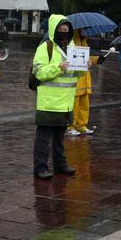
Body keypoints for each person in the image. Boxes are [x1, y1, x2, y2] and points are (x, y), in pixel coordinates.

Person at [34, 15, 79, 177]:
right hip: (48, 101)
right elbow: (39, 72)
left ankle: (60, 165)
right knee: (43, 137)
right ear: (54, 30)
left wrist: (83, 66)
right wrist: (58, 67)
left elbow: (75, 75)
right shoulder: (45, 47)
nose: (64, 32)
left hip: (66, 102)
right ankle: (40, 168)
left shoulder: (72, 47)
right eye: (61, 29)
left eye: (66, 29)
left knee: (60, 137)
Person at [68, 29, 103, 136]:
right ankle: (70, 126)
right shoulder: (72, 43)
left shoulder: (84, 43)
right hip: (76, 80)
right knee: (74, 106)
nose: (85, 32)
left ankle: (81, 126)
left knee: (84, 105)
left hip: (85, 80)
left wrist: (96, 60)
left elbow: (87, 59)